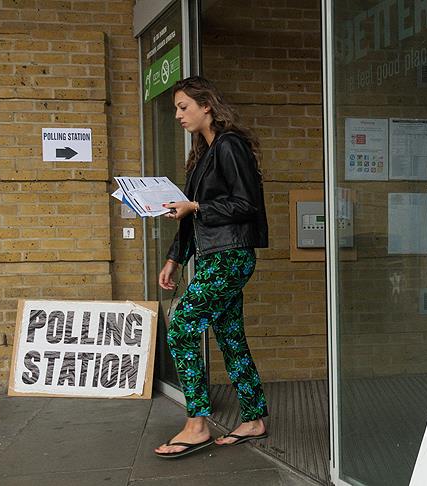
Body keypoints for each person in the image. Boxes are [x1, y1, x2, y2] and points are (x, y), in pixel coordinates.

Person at [153, 76, 270, 459]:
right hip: (212, 256)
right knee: (230, 336)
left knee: (183, 329)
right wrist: (175, 258)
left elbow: (246, 203)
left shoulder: (229, 146)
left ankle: (197, 423)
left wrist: (198, 207)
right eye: (175, 108)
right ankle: (253, 418)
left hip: (229, 256)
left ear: (207, 106)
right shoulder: (203, 156)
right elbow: (190, 218)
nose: (177, 115)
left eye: (183, 107)